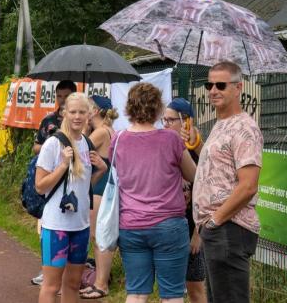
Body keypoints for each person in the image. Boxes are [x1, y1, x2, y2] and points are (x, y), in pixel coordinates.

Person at [112, 83, 196, 303]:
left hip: (130, 224)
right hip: (168, 224)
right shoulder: (171, 139)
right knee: (171, 294)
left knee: (137, 292)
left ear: (129, 107)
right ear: (158, 109)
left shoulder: (118, 139)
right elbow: (193, 175)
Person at [193, 61, 263, 303]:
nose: (213, 90)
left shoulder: (244, 128)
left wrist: (215, 220)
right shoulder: (221, 124)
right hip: (216, 230)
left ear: (238, 87)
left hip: (229, 228)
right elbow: (219, 171)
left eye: (221, 85)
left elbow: (248, 185)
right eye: (209, 84)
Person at [35, 92, 107, 303]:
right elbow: (40, 186)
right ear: (65, 113)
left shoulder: (86, 143)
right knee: (51, 285)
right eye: (73, 112)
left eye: (82, 112)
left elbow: (83, 189)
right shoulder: (53, 144)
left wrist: (101, 171)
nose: (77, 116)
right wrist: (62, 166)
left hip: (80, 226)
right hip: (56, 226)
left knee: (73, 283)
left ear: (90, 114)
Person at [31, 80, 77, 286]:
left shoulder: (79, 121)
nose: (62, 100)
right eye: (59, 96)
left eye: (66, 96)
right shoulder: (49, 120)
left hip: (73, 184)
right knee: (45, 227)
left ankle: (69, 274)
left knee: (73, 231)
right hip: (50, 181)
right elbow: (36, 146)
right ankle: (47, 270)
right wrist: (53, 147)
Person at [162, 98, 207, 303]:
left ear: (186, 121)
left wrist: (198, 234)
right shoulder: (167, 144)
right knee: (172, 288)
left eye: (170, 120)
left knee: (195, 286)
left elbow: (207, 190)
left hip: (193, 224)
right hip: (171, 223)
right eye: (163, 120)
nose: (165, 125)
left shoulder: (197, 146)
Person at [79, 95, 118, 300]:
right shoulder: (109, 130)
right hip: (105, 188)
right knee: (100, 235)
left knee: (97, 236)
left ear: (95, 111)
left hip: (99, 189)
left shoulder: (101, 131)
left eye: (88, 108)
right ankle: (100, 278)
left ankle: (100, 282)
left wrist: (84, 128)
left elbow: (79, 147)